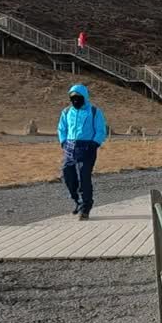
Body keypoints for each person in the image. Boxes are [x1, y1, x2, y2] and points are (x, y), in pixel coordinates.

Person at [57, 83, 108, 220]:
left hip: (87, 147)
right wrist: (63, 142)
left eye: (78, 98)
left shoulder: (94, 111)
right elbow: (62, 128)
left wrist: (94, 144)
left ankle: (86, 207)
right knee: (68, 175)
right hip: (70, 146)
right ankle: (77, 201)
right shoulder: (66, 112)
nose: (75, 100)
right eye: (72, 98)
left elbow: (101, 130)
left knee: (83, 177)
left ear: (84, 97)